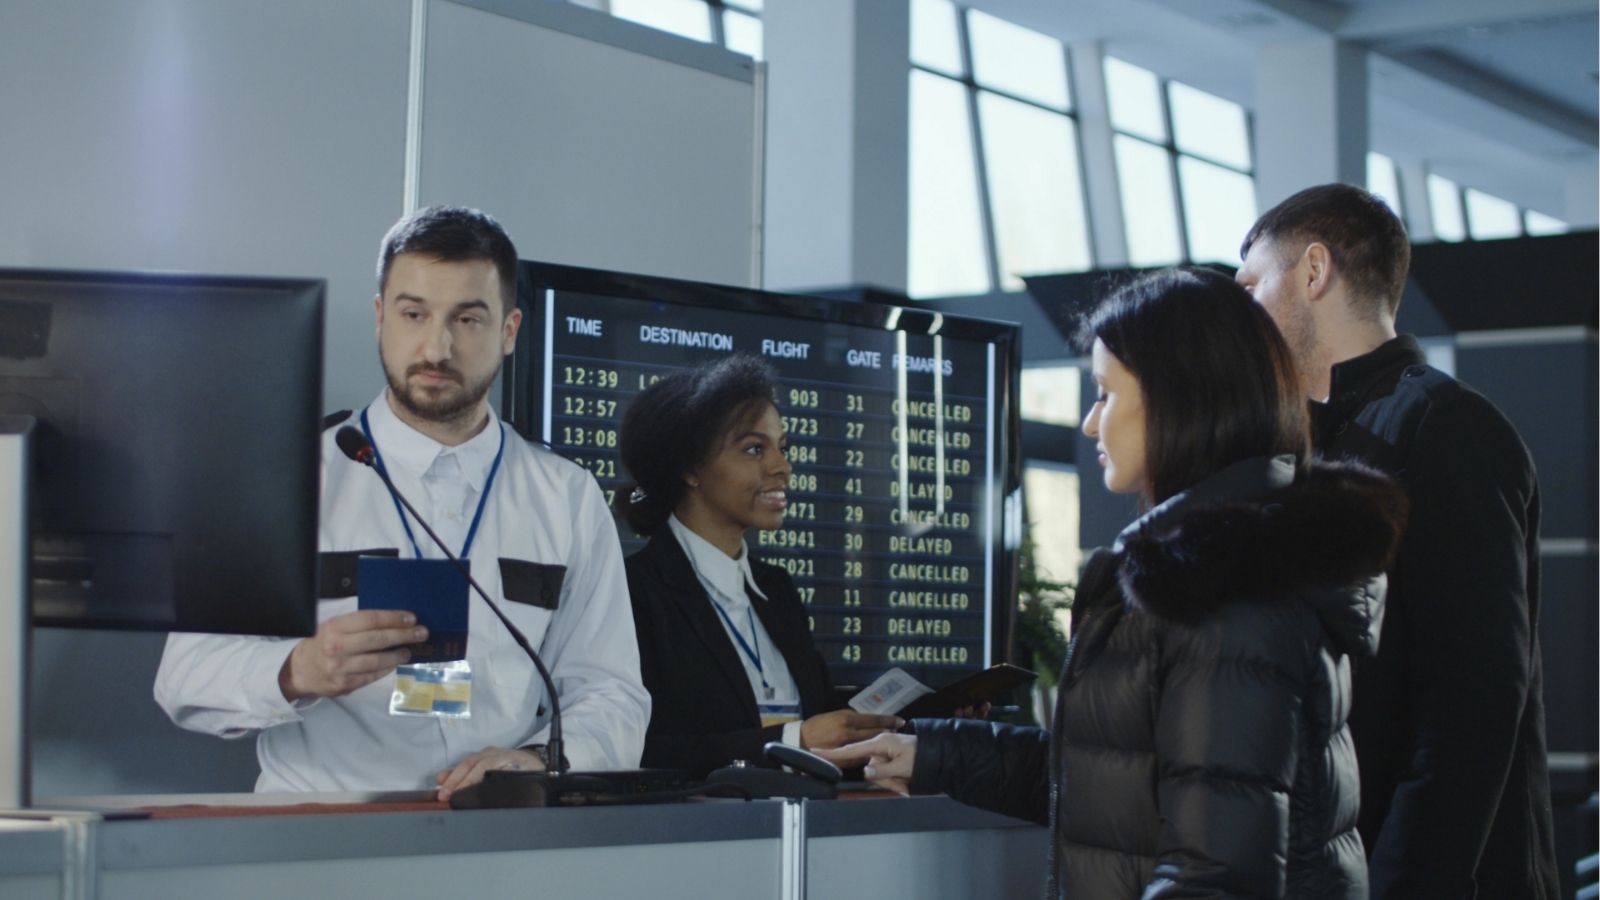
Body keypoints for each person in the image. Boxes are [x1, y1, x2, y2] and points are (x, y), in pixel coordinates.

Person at [821, 268, 1408, 899]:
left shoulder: (1226, 591)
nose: (1089, 424)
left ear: (1177, 398)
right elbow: (1118, 781)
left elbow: (1217, 877)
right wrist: (930, 752)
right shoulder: (1226, 567)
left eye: (1105, 394)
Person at [155, 206, 649, 798]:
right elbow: (182, 676)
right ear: (380, 317)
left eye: (467, 319)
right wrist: (298, 670)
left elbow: (612, 690)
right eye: (414, 313)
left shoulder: (566, 495)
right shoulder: (285, 481)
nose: (436, 347)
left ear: (509, 331)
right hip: (318, 838)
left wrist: (541, 759)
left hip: (502, 833)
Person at [1235, 183, 1560, 899]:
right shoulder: (1307, 444)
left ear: (1314, 271)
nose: (1243, 315)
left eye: (1253, 285)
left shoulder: (1445, 425)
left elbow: (1473, 702)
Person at [617, 354, 902, 780]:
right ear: (691, 469)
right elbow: (636, 747)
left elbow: (821, 718)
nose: (782, 468)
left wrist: (914, 717)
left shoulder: (776, 589)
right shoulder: (633, 590)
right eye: (755, 449)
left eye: (782, 448)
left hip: (804, 827)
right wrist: (792, 743)